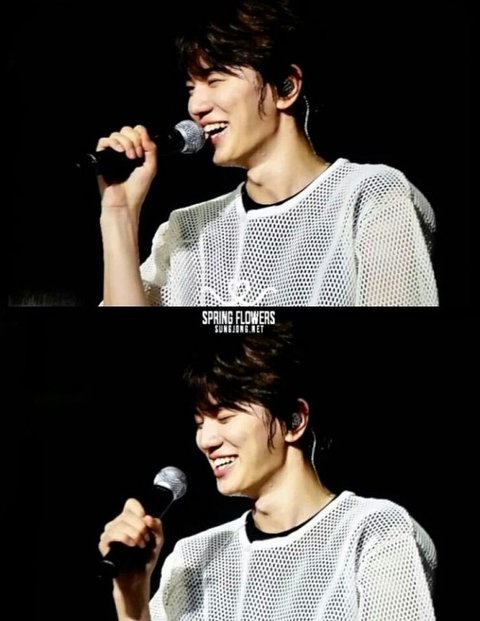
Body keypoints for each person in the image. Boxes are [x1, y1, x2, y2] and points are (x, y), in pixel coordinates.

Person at [96, 0, 438, 307]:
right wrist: (118, 214)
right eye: (190, 89)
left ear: (286, 87)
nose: (196, 106)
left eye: (215, 80)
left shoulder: (369, 196)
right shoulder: (186, 230)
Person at [99, 323, 437, 620]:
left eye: (225, 417)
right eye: (200, 423)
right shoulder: (191, 557)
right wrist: (132, 599)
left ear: (294, 420)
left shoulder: (372, 532)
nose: (206, 440)